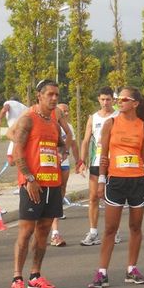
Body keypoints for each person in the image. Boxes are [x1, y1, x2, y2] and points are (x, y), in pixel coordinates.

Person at [88, 86, 144, 288]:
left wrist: (131, 166)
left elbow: (142, 156)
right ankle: (102, 272)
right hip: (115, 181)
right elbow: (103, 155)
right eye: (119, 99)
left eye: (124, 99)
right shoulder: (110, 123)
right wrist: (101, 181)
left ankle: (131, 269)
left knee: (135, 227)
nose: (119, 102)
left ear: (135, 103)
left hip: (136, 181)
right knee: (110, 229)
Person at [9, 79, 65, 288]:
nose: (54, 98)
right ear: (39, 96)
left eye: (56, 95)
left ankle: (35, 275)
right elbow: (17, 152)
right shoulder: (28, 120)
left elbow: (58, 143)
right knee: (26, 232)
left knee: (43, 232)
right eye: (50, 94)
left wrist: (63, 152)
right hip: (33, 185)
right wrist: (30, 178)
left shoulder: (52, 122)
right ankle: (16, 278)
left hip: (52, 184)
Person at [77, 87, 122, 246]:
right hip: (96, 163)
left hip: (114, 163)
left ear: (113, 100)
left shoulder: (118, 116)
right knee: (94, 197)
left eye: (108, 99)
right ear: (98, 99)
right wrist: (82, 161)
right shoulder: (93, 118)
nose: (105, 102)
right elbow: (85, 140)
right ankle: (93, 232)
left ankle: (114, 231)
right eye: (102, 99)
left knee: (113, 199)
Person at [49, 103, 80, 247]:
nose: (65, 114)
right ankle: (51, 229)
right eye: (63, 111)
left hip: (63, 162)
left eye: (67, 111)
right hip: (48, 164)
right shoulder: (47, 123)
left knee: (61, 189)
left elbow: (73, 144)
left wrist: (78, 160)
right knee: (51, 193)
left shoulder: (69, 127)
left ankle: (57, 213)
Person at [0, 97, 28, 167]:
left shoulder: (9, 103)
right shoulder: (25, 107)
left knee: (11, 161)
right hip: (25, 131)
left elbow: (4, 109)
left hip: (15, 130)